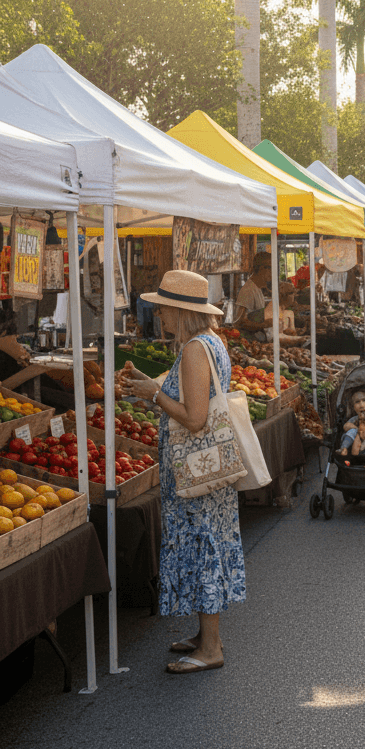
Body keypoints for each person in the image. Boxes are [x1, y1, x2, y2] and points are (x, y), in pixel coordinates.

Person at [125, 271, 244, 674]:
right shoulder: (211, 342)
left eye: (162, 308)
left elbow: (194, 419)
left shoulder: (195, 348)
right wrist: (149, 384)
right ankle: (203, 635)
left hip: (196, 469)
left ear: (180, 311)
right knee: (205, 544)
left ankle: (211, 648)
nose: (158, 315)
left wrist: (154, 395)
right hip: (204, 467)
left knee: (203, 547)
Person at [236, 251, 272, 337]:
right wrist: (264, 324)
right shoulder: (248, 290)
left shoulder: (257, 288)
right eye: (271, 268)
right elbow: (240, 322)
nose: (272, 272)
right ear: (262, 269)